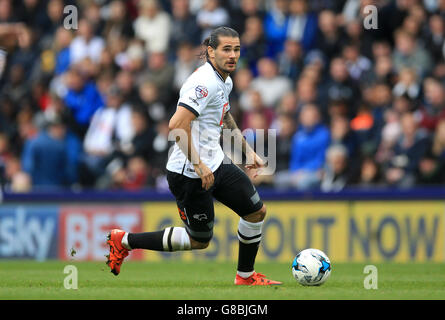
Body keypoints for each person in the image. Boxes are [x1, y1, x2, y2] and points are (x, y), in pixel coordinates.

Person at [105, 26, 281, 286]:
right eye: (226, 49)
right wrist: (198, 165)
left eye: (237, 49)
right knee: (199, 240)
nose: (233, 55)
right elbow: (176, 126)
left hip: (216, 163)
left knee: (256, 212)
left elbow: (224, 115)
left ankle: (245, 276)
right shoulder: (204, 83)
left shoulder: (225, 80)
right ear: (211, 51)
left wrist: (248, 151)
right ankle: (124, 241)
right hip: (189, 172)